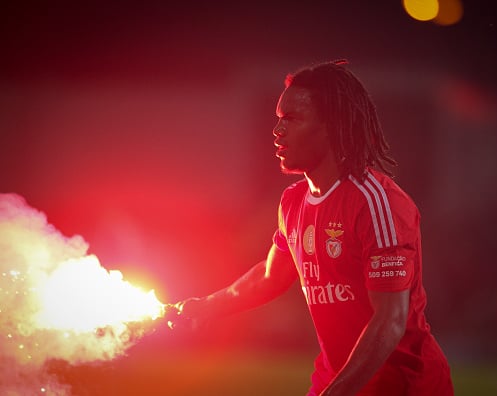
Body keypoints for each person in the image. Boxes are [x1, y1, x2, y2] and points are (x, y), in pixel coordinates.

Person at [169, 60, 454, 395]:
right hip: (335, 380)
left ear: (331, 126)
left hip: (402, 388)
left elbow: (390, 321)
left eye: (291, 118)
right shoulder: (293, 202)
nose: (277, 130)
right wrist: (207, 306)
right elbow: (270, 275)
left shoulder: (377, 203)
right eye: (278, 118)